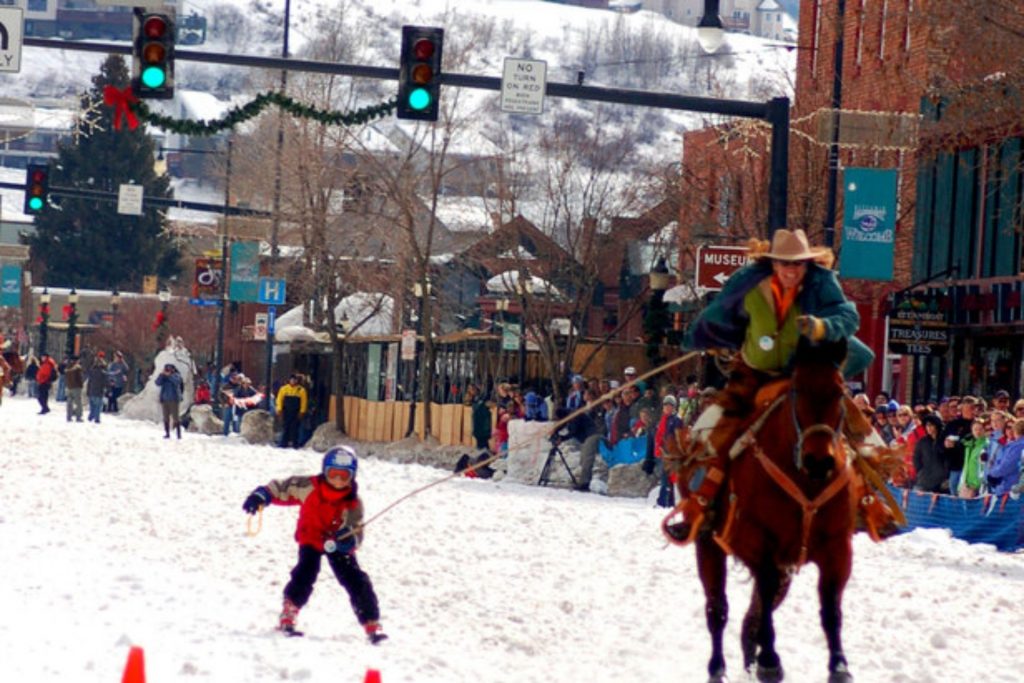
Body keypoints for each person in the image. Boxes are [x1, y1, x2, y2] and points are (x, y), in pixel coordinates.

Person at [668, 227, 882, 544]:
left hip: (806, 376)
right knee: (708, 430)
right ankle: (698, 506)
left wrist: (824, 326)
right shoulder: (748, 282)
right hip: (755, 376)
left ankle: (869, 505)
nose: (792, 270)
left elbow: (847, 315)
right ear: (772, 264)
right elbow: (722, 314)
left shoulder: (822, 282)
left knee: (865, 438)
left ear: (807, 264)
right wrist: (717, 338)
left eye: (798, 264)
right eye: (785, 263)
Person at [241, 446, 386, 643]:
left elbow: (357, 529)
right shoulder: (308, 487)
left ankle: (371, 622)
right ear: (325, 472)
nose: (338, 480)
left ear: (352, 477)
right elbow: (283, 488)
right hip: (311, 538)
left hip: (337, 544)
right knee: (305, 573)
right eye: (333, 474)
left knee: (355, 579)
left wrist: (348, 539)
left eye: (344, 476)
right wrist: (262, 495)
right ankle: (289, 611)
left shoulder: (353, 502)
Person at [986, 420, 1024, 496]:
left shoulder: (1017, 447)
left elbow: (1007, 465)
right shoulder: (1014, 445)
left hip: (1011, 487)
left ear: (1015, 431)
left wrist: (992, 474)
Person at [913, 414, 947, 493]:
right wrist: (920, 473)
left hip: (942, 483)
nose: (928, 428)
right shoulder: (922, 442)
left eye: (931, 425)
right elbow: (916, 458)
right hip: (925, 480)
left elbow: (949, 459)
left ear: (937, 426)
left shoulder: (945, 441)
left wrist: (946, 476)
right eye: (927, 425)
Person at [276, 373, 308, 448]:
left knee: (295, 428)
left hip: (296, 412)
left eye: (295, 380)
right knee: (285, 427)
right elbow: (279, 400)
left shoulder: (301, 390)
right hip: (286, 411)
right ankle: (283, 444)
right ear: (289, 380)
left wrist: (302, 412)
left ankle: (295, 444)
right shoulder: (283, 389)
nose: (293, 381)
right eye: (292, 379)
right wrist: (279, 410)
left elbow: (304, 402)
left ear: (297, 381)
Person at [155, 363, 184, 439]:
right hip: (165, 399)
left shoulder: (176, 375)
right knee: (165, 417)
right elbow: (157, 382)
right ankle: (167, 433)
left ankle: (178, 434)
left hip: (174, 399)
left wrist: (169, 375)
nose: (168, 371)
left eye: (169, 369)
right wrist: (162, 375)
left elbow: (177, 382)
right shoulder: (164, 377)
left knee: (176, 417)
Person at [85, 354, 108, 423]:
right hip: (99, 392)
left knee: (92, 406)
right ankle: (96, 418)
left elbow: (89, 382)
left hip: (92, 390)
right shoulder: (103, 373)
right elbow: (105, 382)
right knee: (98, 406)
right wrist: (107, 389)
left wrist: (88, 391)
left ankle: (91, 416)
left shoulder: (92, 371)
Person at [64, 355, 85, 422]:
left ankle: (69, 416)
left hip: (69, 387)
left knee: (69, 402)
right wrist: (81, 384)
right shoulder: (77, 367)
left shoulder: (67, 367)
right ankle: (78, 417)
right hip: (76, 387)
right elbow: (80, 377)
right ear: (77, 360)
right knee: (78, 403)